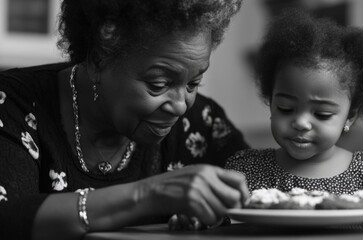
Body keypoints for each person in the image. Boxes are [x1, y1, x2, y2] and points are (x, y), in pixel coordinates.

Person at [0, 1, 251, 239]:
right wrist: (148, 195)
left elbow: (263, 196)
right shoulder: (13, 104)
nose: (180, 105)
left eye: (193, 83)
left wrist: (220, 214)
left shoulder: (201, 123)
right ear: (99, 60)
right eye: (158, 84)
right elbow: (7, 218)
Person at [225, 9, 363, 219]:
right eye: (285, 109)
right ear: (271, 103)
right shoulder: (245, 171)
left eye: (322, 114)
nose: (301, 123)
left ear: (350, 116)